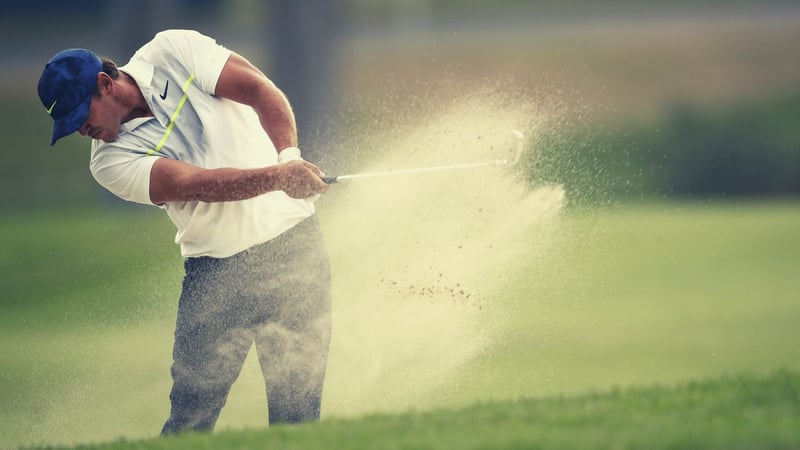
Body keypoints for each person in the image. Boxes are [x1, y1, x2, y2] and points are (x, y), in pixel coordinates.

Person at [37, 29, 333, 435]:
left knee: (297, 415)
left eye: (80, 119)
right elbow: (199, 185)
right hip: (216, 276)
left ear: (104, 85)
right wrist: (282, 176)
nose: (81, 132)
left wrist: (290, 157)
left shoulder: (172, 51)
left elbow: (258, 89)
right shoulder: (108, 162)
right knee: (190, 421)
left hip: (294, 246)